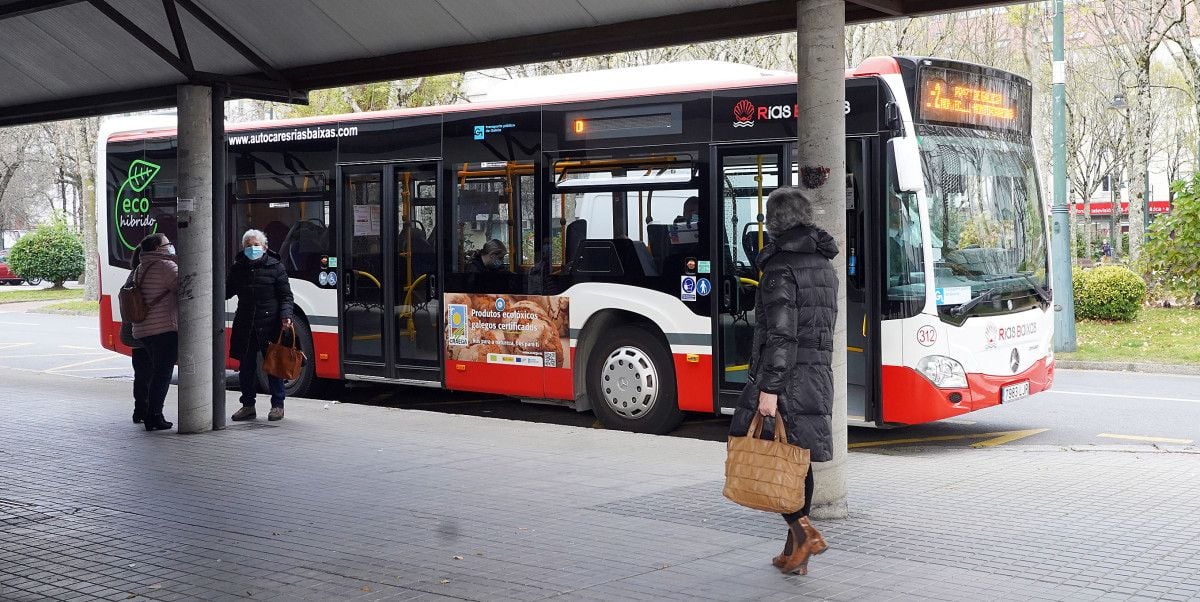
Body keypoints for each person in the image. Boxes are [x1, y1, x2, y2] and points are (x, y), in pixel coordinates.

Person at [728, 186, 837, 576]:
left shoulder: (779, 267)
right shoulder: (823, 263)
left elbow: (781, 333)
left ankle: (803, 533)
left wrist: (769, 389)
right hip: (816, 373)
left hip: (786, 376)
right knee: (797, 460)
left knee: (769, 455)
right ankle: (795, 554)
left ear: (773, 224)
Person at [227, 229, 294, 422]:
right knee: (246, 368)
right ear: (243, 248)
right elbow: (227, 291)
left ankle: (278, 406)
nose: (252, 249)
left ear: (264, 247)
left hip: (270, 324)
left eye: (256, 245)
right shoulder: (238, 268)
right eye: (248, 246)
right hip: (246, 325)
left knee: (274, 366)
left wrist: (286, 316)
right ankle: (248, 405)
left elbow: (286, 296)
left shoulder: (276, 267)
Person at [130, 233, 179, 432]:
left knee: (152, 373)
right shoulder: (166, 267)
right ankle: (154, 416)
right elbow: (184, 287)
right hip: (164, 328)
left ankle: (147, 411)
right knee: (162, 375)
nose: (171, 247)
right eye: (168, 244)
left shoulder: (140, 267)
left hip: (143, 329)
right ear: (159, 248)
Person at [119, 246, 152, 425]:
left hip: (134, 334)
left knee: (141, 375)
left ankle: (139, 410)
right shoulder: (142, 275)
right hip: (144, 334)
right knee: (147, 375)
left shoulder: (132, 275)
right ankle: (146, 410)